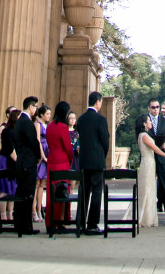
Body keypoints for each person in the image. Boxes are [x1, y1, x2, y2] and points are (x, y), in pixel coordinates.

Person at [131, 114, 165, 228]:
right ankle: (145, 217)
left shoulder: (142, 135)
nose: (150, 122)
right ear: (144, 124)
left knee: (149, 188)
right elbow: (155, 148)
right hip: (148, 162)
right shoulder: (144, 135)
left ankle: (148, 216)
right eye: (149, 120)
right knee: (147, 189)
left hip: (149, 162)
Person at [77, 90, 110, 235]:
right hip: (97, 160)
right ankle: (92, 224)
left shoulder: (81, 119)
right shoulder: (101, 119)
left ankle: (81, 223)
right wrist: (103, 155)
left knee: (84, 191)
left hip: (84, 160)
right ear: (97, 102)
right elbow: (105, 140)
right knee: (97, 192)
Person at [46, 100, 74, 232]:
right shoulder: (63, 128)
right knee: (62, 192)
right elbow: (68, 147)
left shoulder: (50, 126)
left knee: (51, 194)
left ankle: (51, 221)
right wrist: (71, 159)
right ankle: (61, 220)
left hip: (51, 161)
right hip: (62, 162)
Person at [14, 96, 41, 235]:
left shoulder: (19, 121)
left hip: (21, 161)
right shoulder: (27, 122)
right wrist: (38, 156)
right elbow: (34, 141)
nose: (36, 109)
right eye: (35, 106)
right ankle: (26, 226)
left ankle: (19, 224)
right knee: (28, 194)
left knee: (21, 193)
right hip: (28, 162)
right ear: (30, 107)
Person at [148, 98, 165, 221]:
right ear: (149, 108)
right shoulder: (145, 120)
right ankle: (148, 210)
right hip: (149, 156)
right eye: (153, 107)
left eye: (157, 107)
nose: (155, 109)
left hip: (162, 156)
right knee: (148, 184)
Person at [0, 107, 19, 223]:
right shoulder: (7, 131)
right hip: (6, 161)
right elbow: (10, 148)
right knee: (4, 188)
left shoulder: (15, 131)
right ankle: (3, 215)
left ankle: (10, 214)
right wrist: (18, 161)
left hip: (12, 161)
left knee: (12, 189)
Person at [33, 104, 49, 223]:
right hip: (40, 154)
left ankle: (39, 210)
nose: (49, 116)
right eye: (47, 114)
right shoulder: (38, 124)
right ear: (41, 114)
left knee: (42, 183)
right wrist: (42, 155)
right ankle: (33, 211)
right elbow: (37, 140)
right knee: (36, 183)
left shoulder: (46, 125)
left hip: (47, 153)